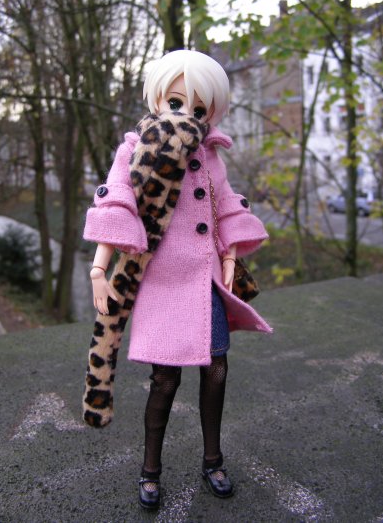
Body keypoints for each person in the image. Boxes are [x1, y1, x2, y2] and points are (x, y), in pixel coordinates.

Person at [83, 49, 272, 510]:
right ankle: (150, 469)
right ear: (156, 99)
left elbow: (224, 202)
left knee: (217, 368)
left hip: (205, 280)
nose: (187, 114)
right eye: (175, 102)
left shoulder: (210, 155)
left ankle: (213, 460)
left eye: (199, 108)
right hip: (162, 281)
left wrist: (229, 255)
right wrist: (98, 269)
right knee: (165, 379)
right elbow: (118, 204)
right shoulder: (136, 149)